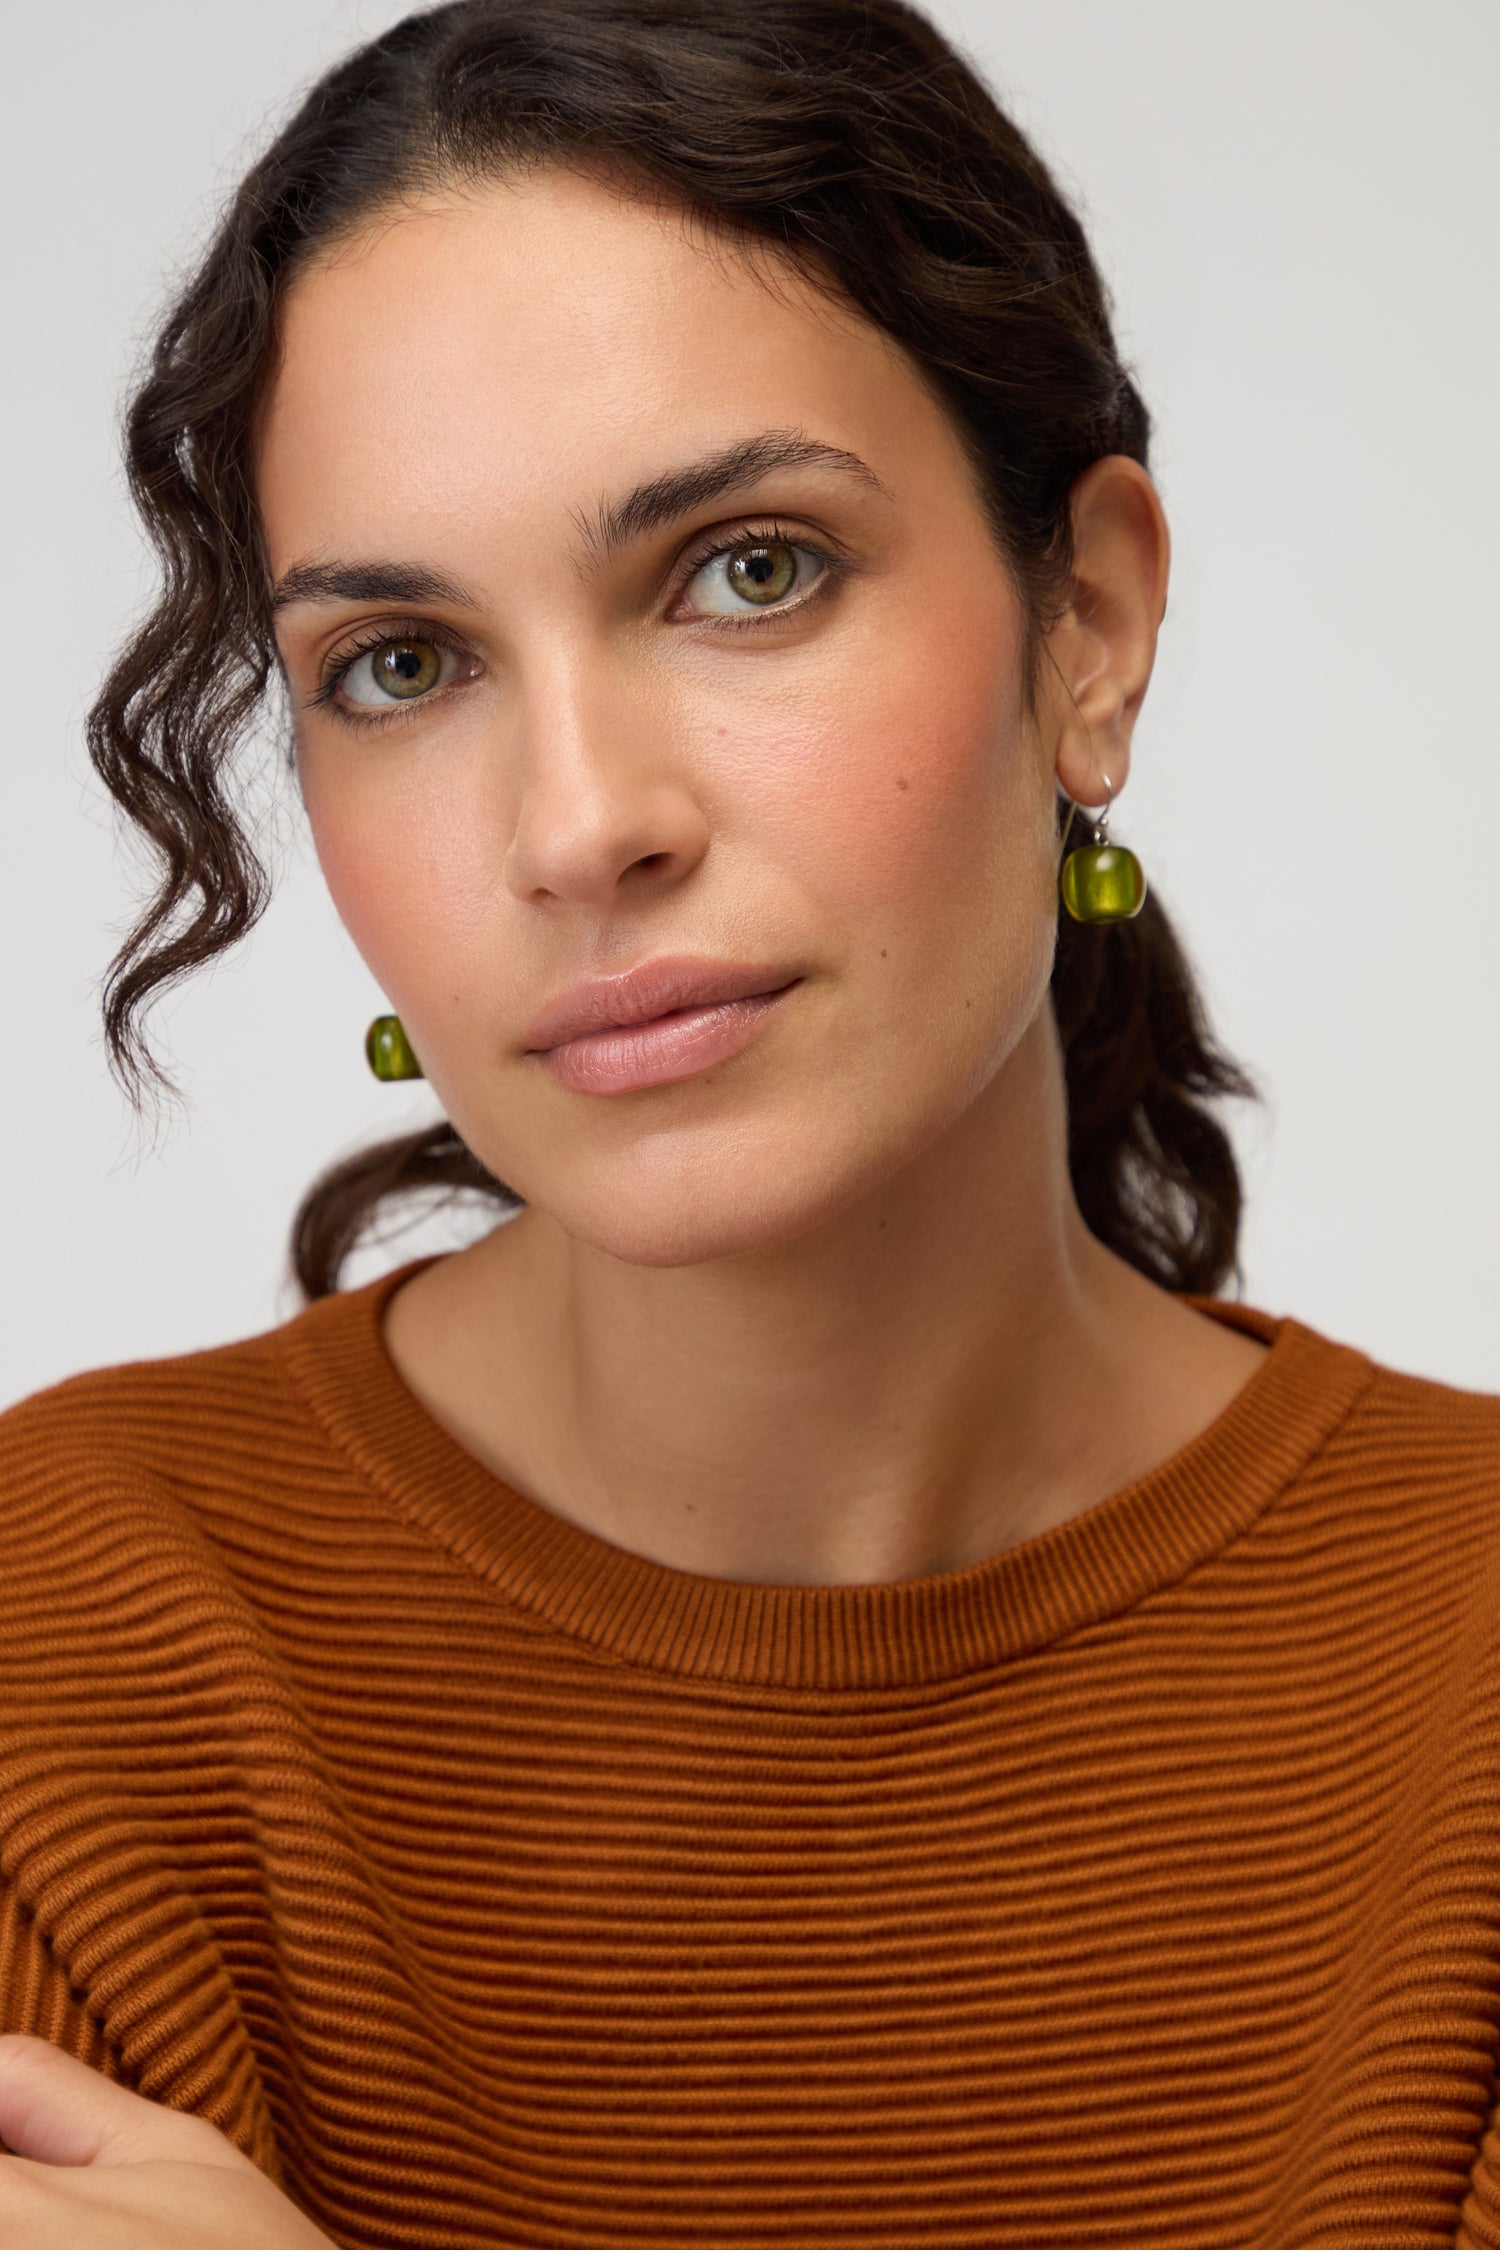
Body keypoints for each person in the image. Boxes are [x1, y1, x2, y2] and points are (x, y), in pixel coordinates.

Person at [2, 0, 1497, 2243]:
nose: (579, 825)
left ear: (1086, 627)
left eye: (748, 569)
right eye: (402, 661)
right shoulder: (58, 1653)